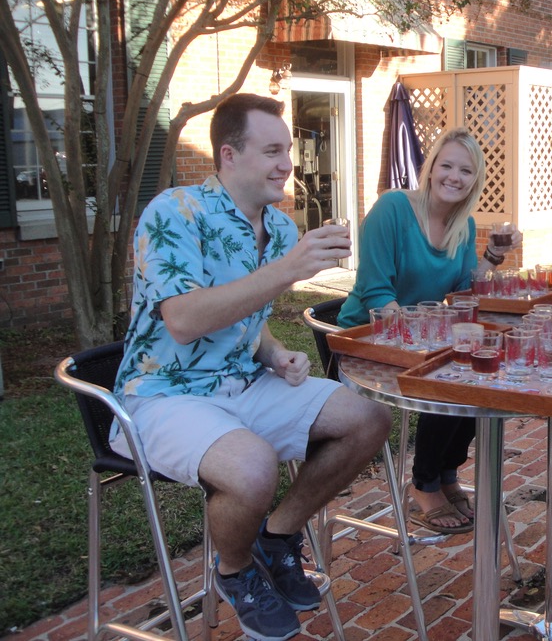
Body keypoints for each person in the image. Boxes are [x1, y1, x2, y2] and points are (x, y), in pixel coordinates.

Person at [112, 93, 391, 641]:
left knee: (368, 419)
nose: (287, 162)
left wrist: (270, 351)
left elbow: (246, 314)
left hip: (243, 383)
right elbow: (185, 319)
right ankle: (235, 573)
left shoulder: (281, 229)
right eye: (272, 150)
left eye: (287, 149)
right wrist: (288, 270)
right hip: (164, 395)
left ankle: (278, 536)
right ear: (229, 155)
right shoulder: (175, 211)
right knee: (253, 468)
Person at [338, 128, 519, 534]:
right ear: (431, 167)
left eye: (465, 170)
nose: (453, 176)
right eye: (447, 165)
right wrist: (423, 338)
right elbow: (375, 289)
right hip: (366, 336)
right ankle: (423, 484)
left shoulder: (464, 224)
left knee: (481, 368)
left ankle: (446, 473)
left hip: (420, 335)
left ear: (476, 180)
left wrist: (493, 256)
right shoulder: (393, 209)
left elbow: (458, 291)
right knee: (448, 371)